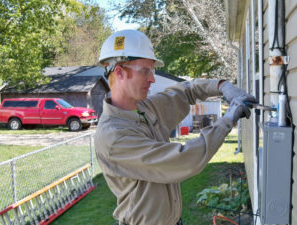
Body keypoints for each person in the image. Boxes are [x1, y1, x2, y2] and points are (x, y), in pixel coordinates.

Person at [95, 29, 256, 225]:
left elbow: (185, 91)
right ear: (119, 72)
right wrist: (227, 120)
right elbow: (185, 159)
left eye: (152, 70)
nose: (152, 78)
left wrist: (222, 86)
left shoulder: (145, 109)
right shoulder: (113, 137)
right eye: (145, 70)